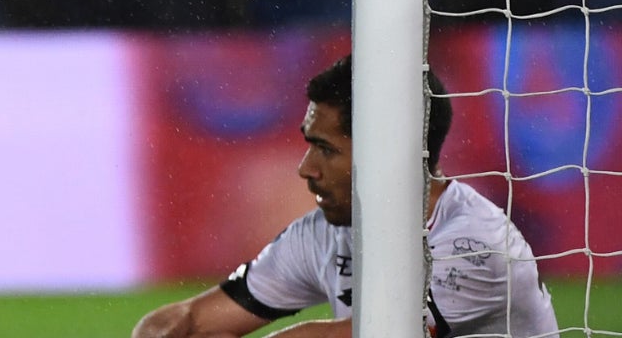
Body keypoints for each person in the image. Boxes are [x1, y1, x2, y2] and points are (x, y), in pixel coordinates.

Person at [134, 55, 558, 338]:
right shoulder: (324, 234)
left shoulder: (476, 246)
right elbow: (187, 321)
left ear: (388, 155)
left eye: (326, 149)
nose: (306, 168)